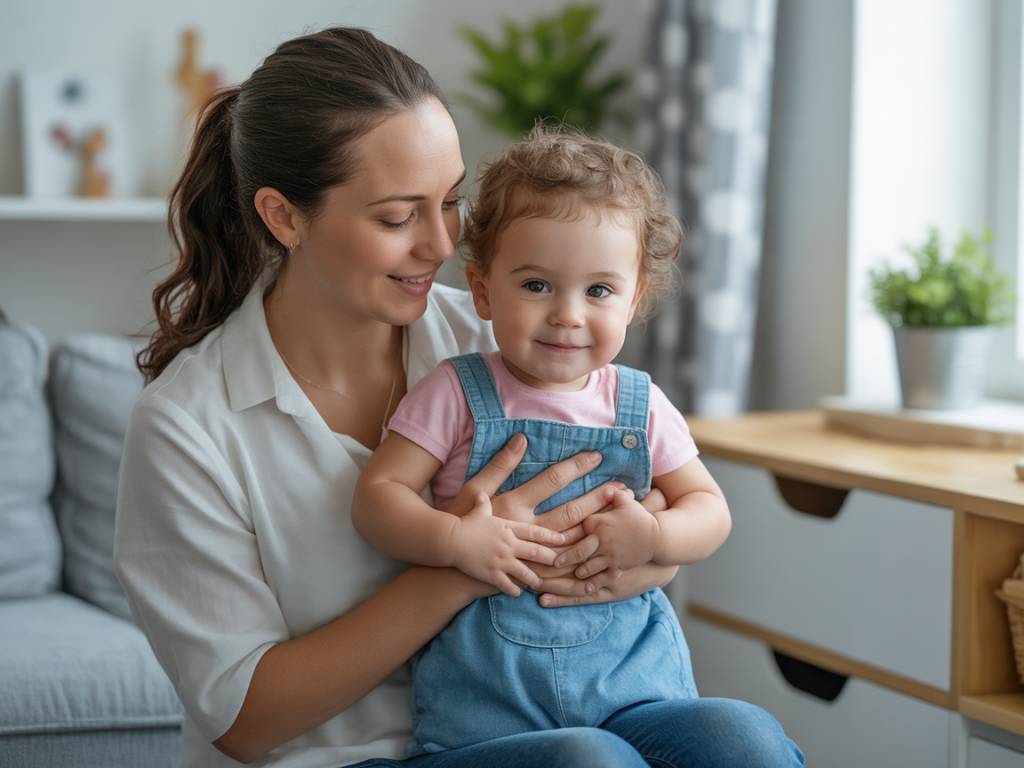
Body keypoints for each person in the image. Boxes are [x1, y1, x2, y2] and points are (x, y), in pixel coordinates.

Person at [114, 26, 801, 768]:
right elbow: (245, 719)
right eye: (396, 216)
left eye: (450, 202)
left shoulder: (501, 334)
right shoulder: (187, 427)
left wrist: (633, 547)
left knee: (743, 742)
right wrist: (462, 564)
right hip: (338, 758)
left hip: (559, 714)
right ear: (285, 217)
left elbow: (658, 523)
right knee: (585, 763)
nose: (442, 247)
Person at [352, 129, 803, 765]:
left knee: (744, 736)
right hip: (492, 716)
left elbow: (708, 507)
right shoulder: (455, 389)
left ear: (633, 299)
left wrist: (654, 537)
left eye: (598, 291)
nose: (568, 314)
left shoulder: (641, 404)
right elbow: (379, 497)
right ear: (482, 289)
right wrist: (456, 542)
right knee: (588, 758)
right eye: (537, 285)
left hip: (639, 698)